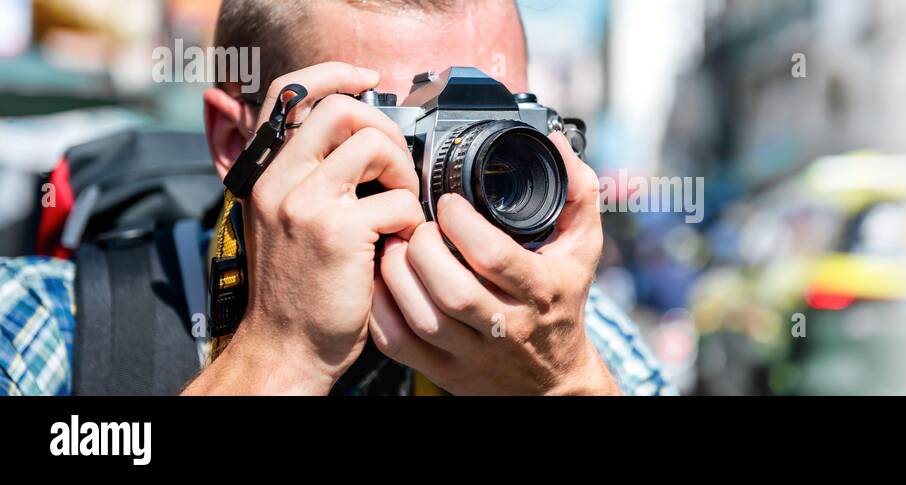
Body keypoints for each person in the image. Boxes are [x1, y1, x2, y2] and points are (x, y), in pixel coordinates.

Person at [0, 0, 672, 396]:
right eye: (383, 129)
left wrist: (564, 382)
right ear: (237, 142)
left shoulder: (581, 337)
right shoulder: (54, 322)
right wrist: (277, 356)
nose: (461, 180)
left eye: (501, 129)